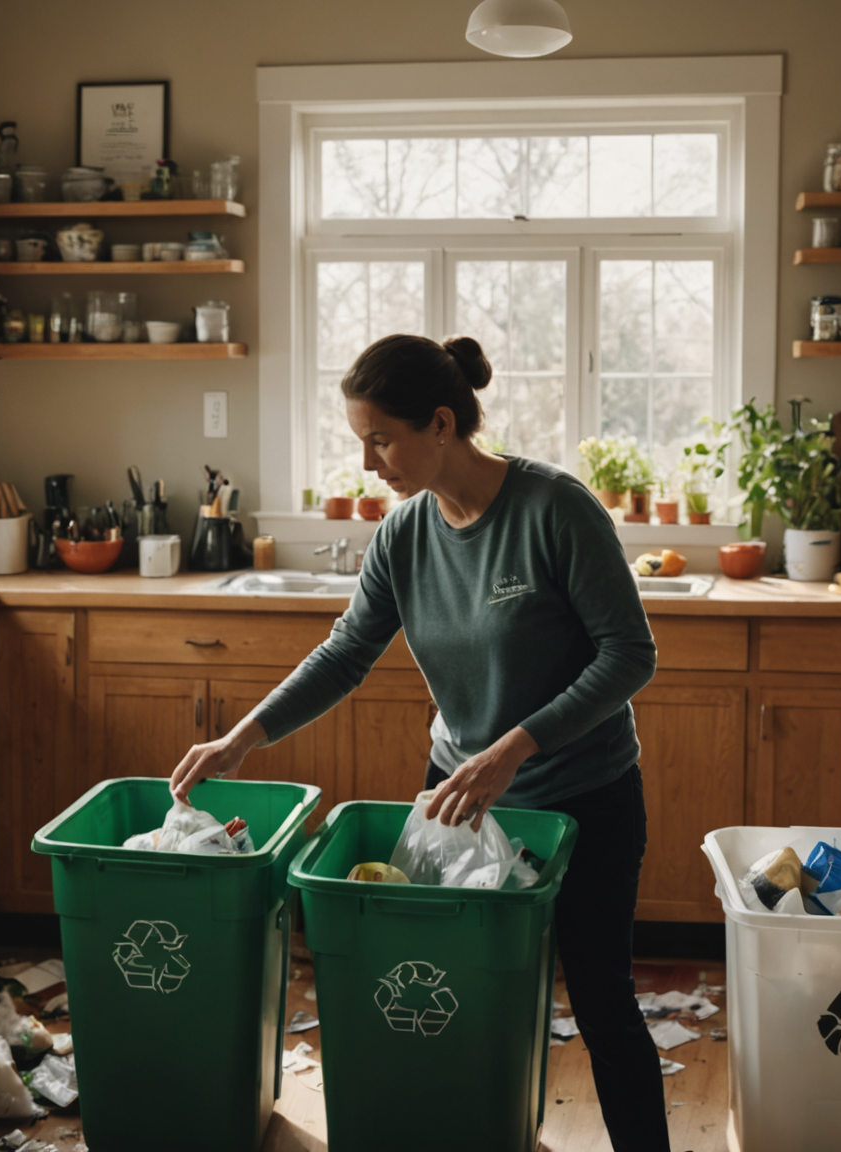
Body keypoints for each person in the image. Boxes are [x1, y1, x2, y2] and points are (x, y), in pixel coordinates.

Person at [168, 333, 666, 1150]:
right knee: (451, 989)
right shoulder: (404, 536)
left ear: (442, 423)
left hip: (581, 801)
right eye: (360, 441)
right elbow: (345, 654)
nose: (370, 463)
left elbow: (629, 655)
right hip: (459, 802)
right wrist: (242, 739)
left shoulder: (554, 510)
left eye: (381, 439)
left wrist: (514, 748)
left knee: (602, 1001)